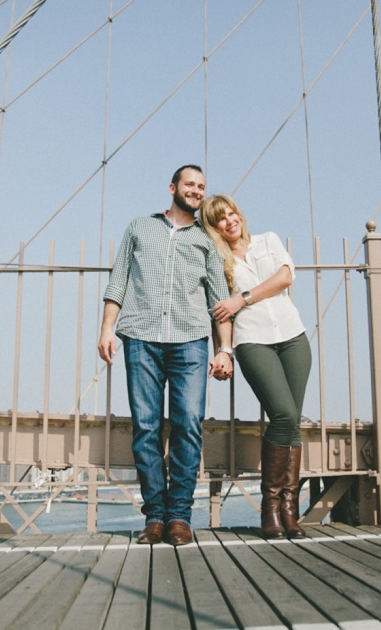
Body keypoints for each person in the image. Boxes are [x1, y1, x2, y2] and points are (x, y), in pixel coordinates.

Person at [97, 165, 234, 547]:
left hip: (190, 339)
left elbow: (218, 300)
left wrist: (225, 349)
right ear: (173, 188)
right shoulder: (139, 227)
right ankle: (154, 516)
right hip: (140, 336)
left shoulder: (206, 240)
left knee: (188, 423)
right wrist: (107, 328)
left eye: (202, 187)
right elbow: (118, 280)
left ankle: (179, 517)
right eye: (190, 184)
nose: (196, 191)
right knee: (146, 427)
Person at [200, 194, 311, 539]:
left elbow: (285, 278)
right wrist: (226, 351)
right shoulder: (217, 261)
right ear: (213, 227)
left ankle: (288, 510)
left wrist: (242, 299)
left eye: (231, 213)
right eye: (220, 218)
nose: (229, 221)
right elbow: (221, 312)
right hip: (253, 341)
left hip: (293, 336)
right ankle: (271, 506)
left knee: (292, 420)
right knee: (283, 415)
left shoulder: (268, 240)